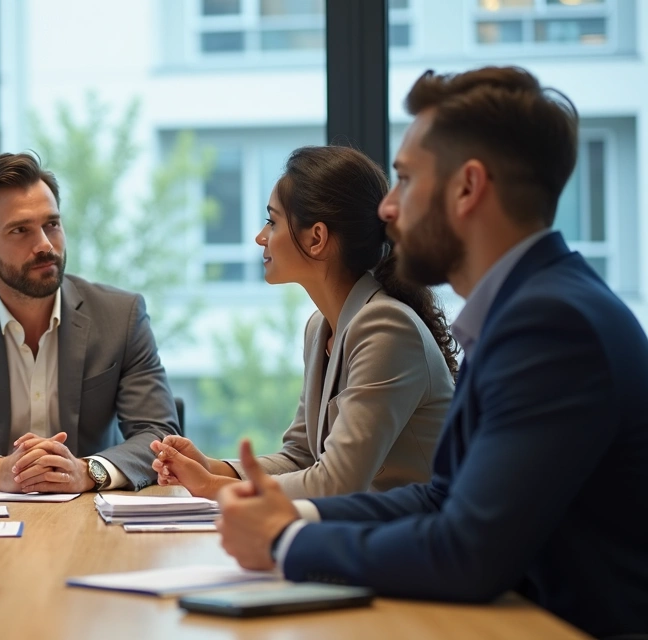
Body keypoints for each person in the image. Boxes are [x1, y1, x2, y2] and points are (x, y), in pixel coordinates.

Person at [215, 66, 648, 639]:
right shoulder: (528, 307)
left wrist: (287, 541)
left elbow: (468, 551)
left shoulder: (552, 325)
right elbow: (443, 497)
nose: (387, 209)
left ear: (467, 188)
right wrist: (293, 513)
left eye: (405, 179)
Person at [150, 146, 456, 500]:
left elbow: (336, 483)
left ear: (316, 238)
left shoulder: (385, 327)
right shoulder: (320, 327)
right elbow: (301, 456)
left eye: (272, 222)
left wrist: (213, 487)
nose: (261, 237)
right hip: (364, 525)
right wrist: (212, 467)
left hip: (416, 530)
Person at [0, 152, 180, 493]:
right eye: (20, 230)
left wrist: (87, 471)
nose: (44, 245)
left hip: (89, 512)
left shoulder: (121, 315)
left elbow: (158, 434)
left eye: (52, 224)